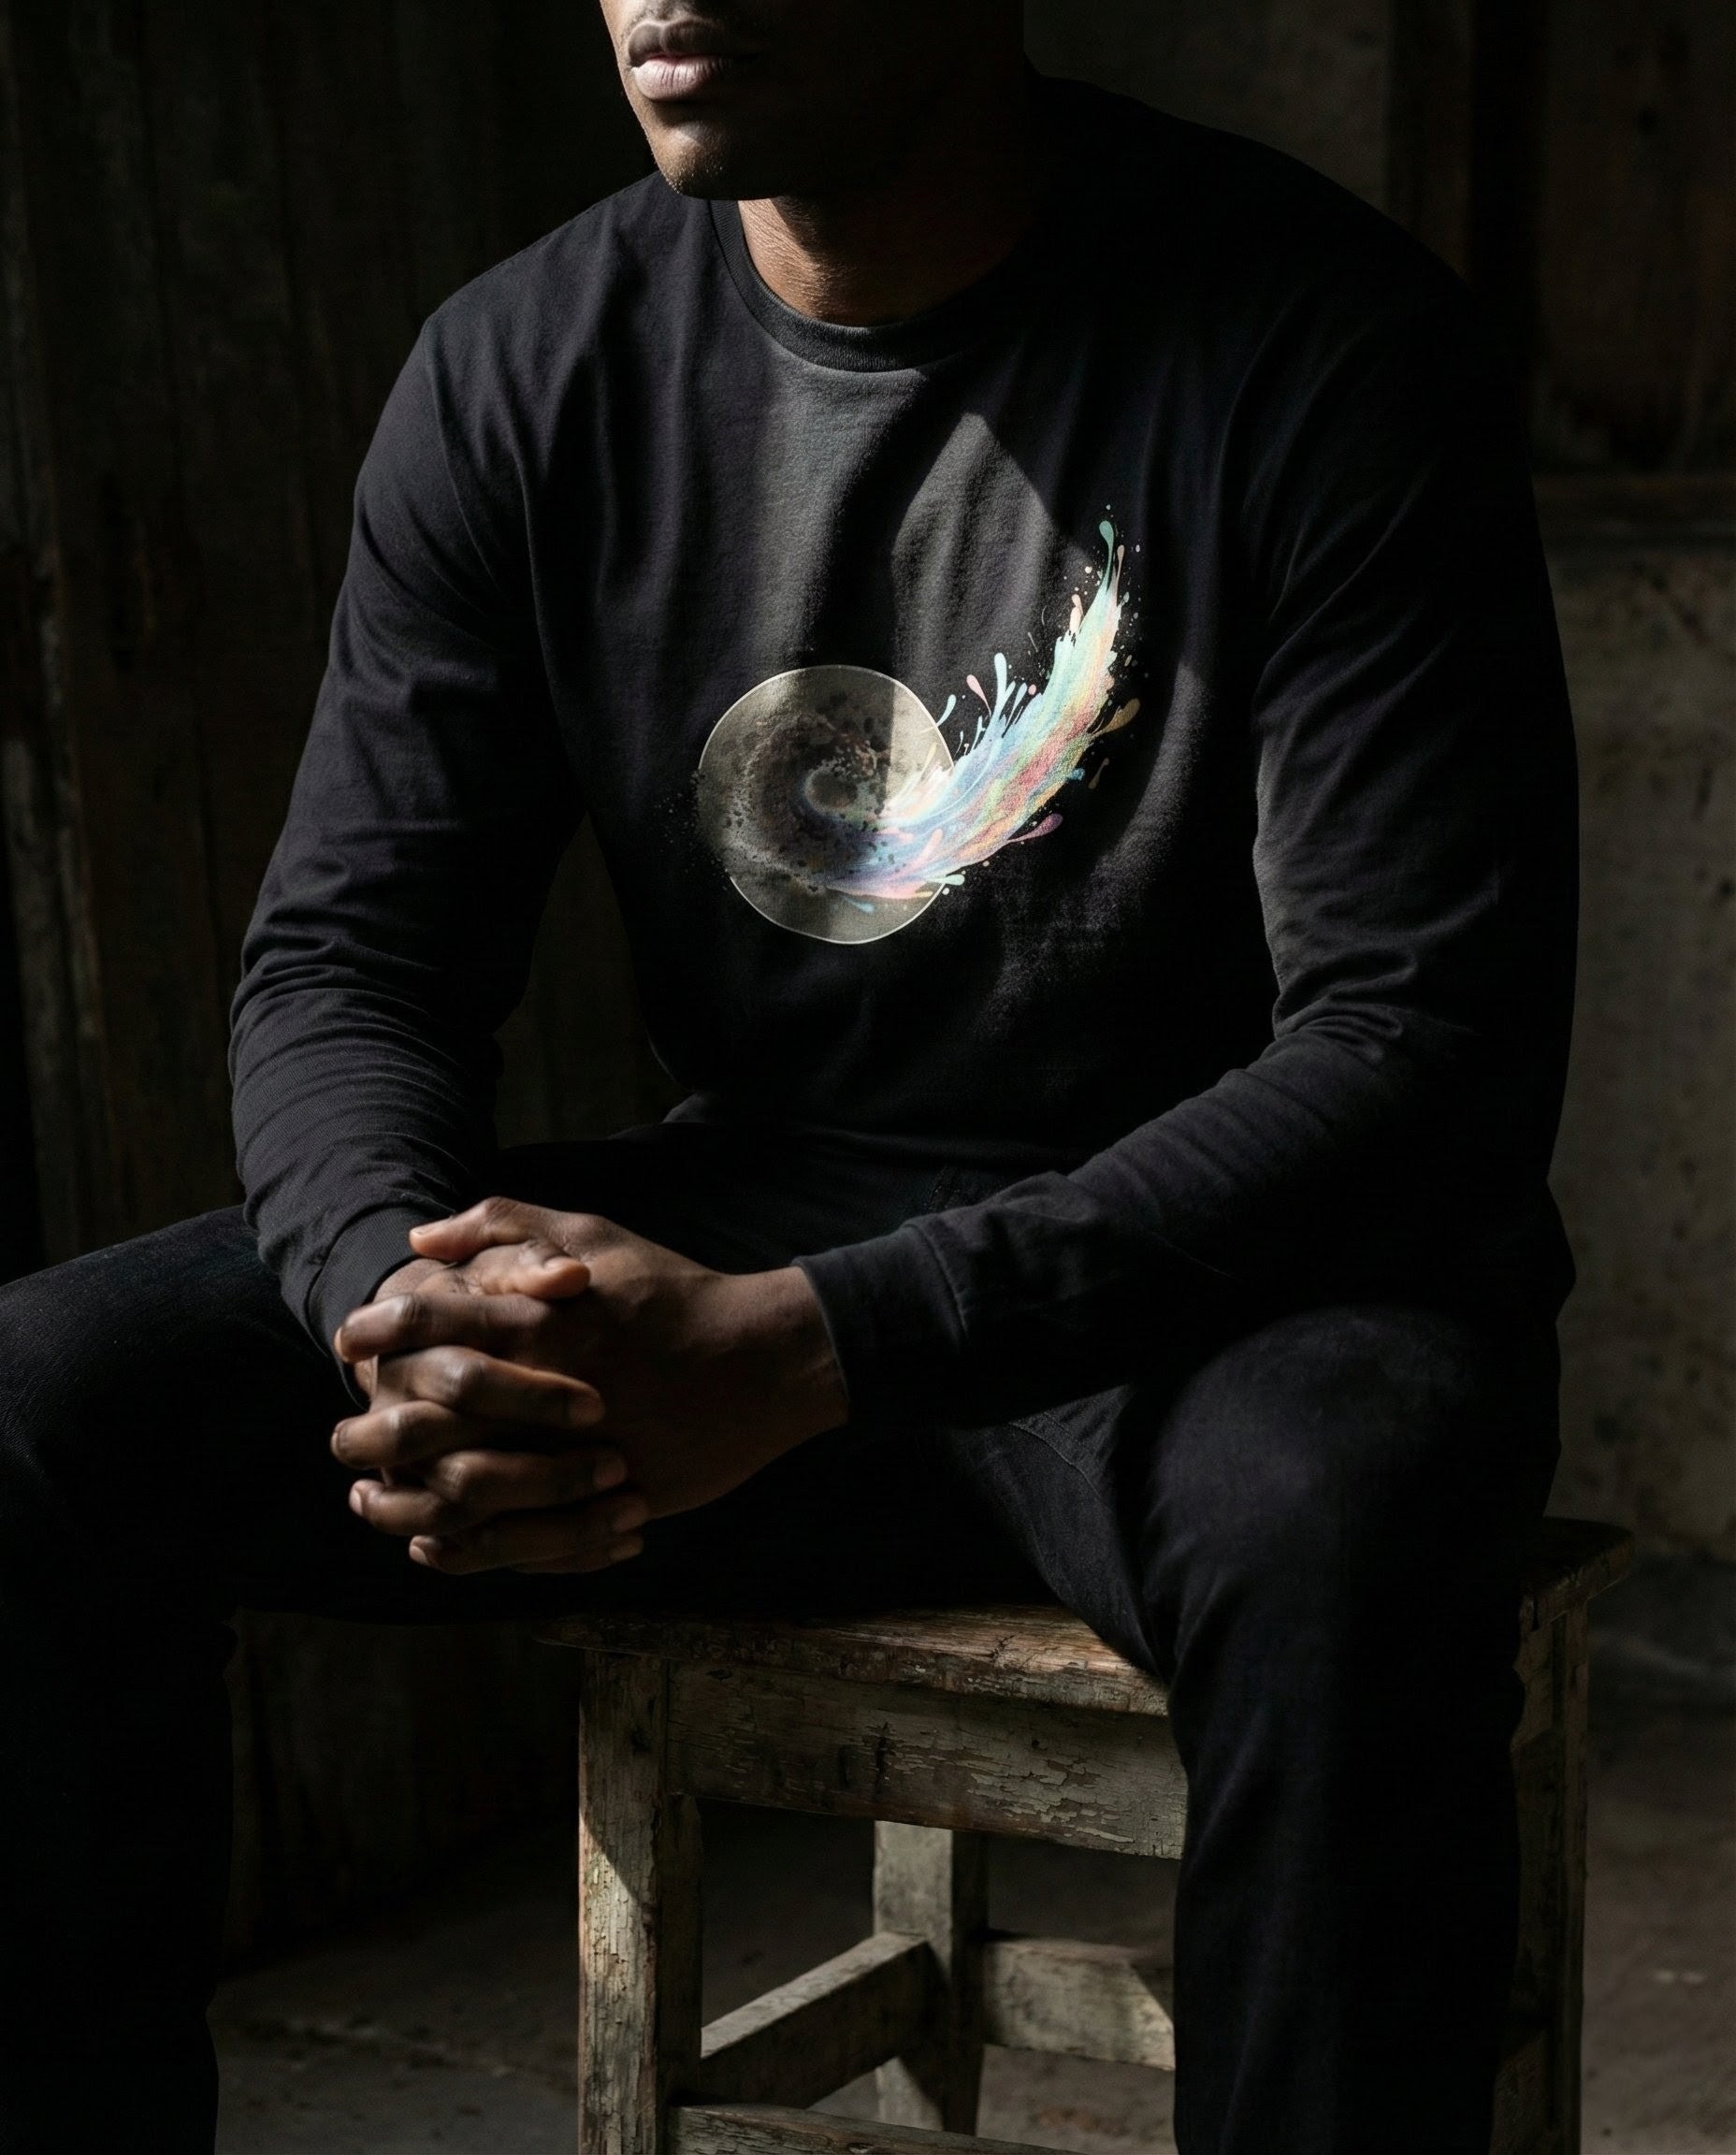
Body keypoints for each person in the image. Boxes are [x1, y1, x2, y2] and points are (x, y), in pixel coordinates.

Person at [0, 3, 1579, 2150]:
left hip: (1210, 1287)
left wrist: (818, 1346)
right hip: (746, 1246)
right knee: (48, 1405)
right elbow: (351, 958)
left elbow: (1415, 1050)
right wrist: (407, 1299)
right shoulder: (524, 366)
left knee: (1345, 1521)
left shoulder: (1316, 341)